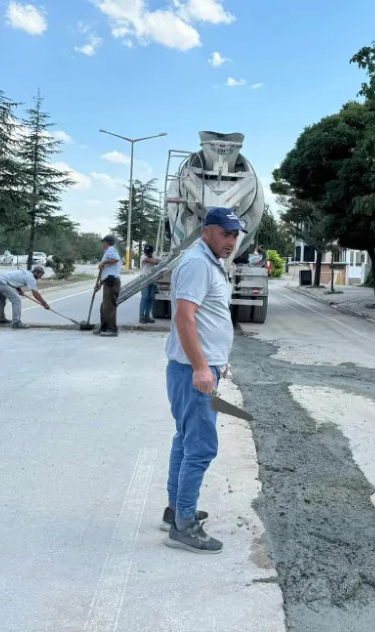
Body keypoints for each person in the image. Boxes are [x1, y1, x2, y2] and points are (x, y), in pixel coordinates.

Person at [161, 207, 245, 554]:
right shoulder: (197, 263)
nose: (231, 241)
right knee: (201, 448)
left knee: (185, 439)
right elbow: (184, 318)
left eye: (235, 235)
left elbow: (209, 318)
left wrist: (215, 361)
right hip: (193, 372)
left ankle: (176, 510)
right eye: (224, 233)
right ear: (206, 231)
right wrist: (200, 367)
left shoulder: (208, 262)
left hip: (200, 367)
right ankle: (184, 526)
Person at [96, 235, 121, 337]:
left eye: (104, 242)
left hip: (112, 281)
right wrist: (100, 284)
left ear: (106, 243)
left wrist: (104, 262)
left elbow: (116, 259)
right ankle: (104, 326)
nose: (103, 244)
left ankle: (112, 329)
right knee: (104, 307)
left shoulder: (111, 250)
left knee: (109, 306)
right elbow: (106, 271)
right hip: (107, 281)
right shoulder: (107, 252)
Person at [139, 244, 160, 323]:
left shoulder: (154, 255)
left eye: (149, 253)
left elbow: (159, 261)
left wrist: (156, 261)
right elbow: (147, 260)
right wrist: (155, 261)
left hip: (152, 278)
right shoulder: (143, 256)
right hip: (144, 278)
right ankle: (141, 317)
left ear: (152, 252)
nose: (147, 254)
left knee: (150, 298)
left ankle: (147, 316)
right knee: (144, 297)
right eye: (146, 253)